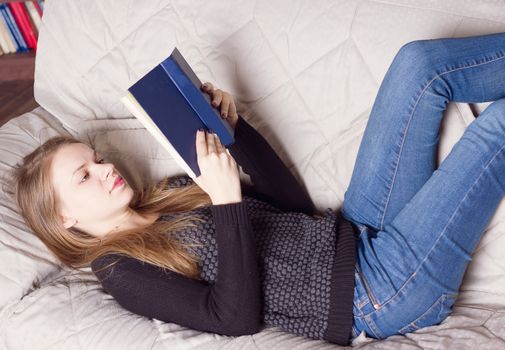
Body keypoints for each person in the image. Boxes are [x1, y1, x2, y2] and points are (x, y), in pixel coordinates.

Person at [10, 30, 505, 346]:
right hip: (374, 294)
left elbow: (293, 208)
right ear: (63, 218)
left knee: (417, 66)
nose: (105, 169)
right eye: (85, 176)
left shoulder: (170, 192)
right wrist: (226, 203)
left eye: (96, 160)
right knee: (498, 127)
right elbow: (233, 318)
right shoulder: (119, 269)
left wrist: (236, 131)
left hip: (356, 230)